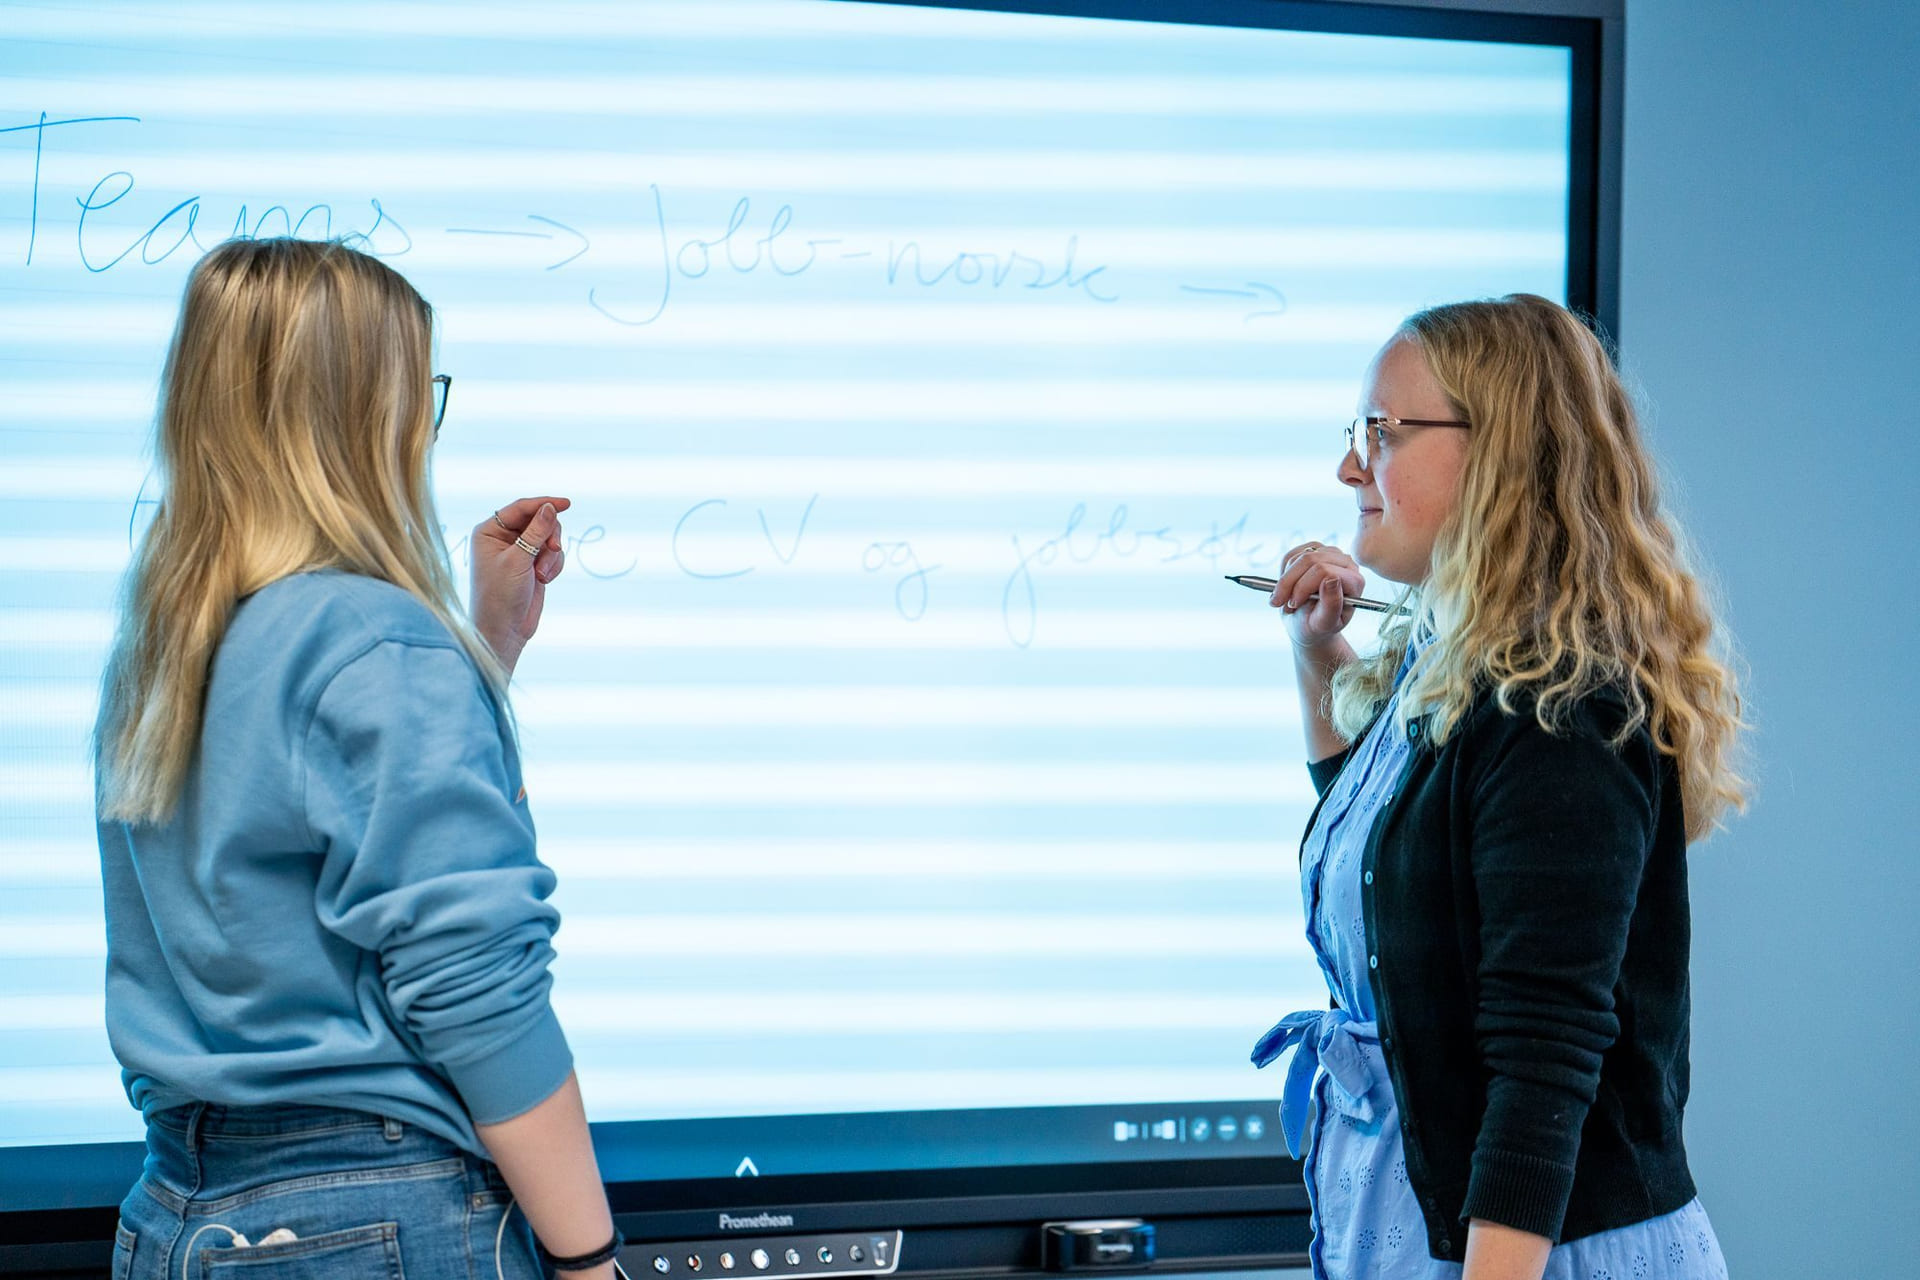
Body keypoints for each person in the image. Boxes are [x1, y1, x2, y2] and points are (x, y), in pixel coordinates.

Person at [94, 237, 621, 1280]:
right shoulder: (377, 643)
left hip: (181, 1216)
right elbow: (476, 988)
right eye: (415, 391)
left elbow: (310, 845)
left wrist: (486, 648)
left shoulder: (170, 655)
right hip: (379, 1219)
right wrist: (592, 1261)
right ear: (357, 417)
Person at [1253, 294, 1745, 1280]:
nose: (1352, 467)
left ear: (1500, 452)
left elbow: (1542, 1068)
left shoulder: (1564, 708)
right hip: (1448, 1231)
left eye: (1381, 434)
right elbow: (1397, 858)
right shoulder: (1458, 662)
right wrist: (1318, 654)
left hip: (1529, 1252)